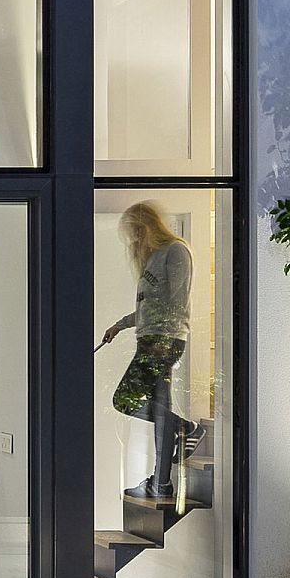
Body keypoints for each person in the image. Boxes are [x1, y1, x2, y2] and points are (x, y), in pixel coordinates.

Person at [98, 201, 199, 502]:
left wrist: (164, 340)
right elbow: (148, 308)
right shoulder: (152, 259)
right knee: (159, 409)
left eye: (136, 232)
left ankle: (185, 428)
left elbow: (178, 301)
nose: (134, 240)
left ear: (148, 226)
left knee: (124, 399)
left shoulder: (175, 251)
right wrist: (120, 325)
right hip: (150, 339)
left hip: (163, 342)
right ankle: (162, 483)